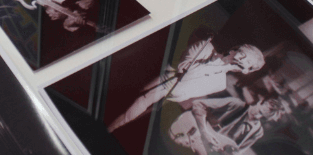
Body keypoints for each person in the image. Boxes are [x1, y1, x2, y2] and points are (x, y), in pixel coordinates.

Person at [107, 39, 265, 132]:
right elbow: (184, 70)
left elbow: (183, 92)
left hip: (167, 97)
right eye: (244, 55)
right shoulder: (205, 47)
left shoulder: (219, 83)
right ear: (236, 49)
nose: (243, 61)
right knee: (130, 99)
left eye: (248, 63)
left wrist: (223, 65)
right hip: (158, 80)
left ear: (246, 71)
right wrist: (217, 61)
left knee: (132, 117)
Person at [168, 96, 284, 154]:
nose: (258, 116)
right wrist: (204, 132)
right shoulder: (235, 103)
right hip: (192, 133)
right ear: (260, 102)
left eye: (263, 117)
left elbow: (236, 151)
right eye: (260, 111)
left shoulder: (258, 132)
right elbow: (199, 104)